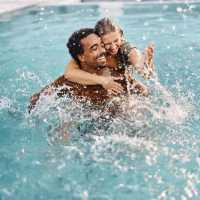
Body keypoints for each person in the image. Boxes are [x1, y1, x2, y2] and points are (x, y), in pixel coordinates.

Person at [29, 28, 131, 113]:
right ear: (81, 57)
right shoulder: (69, 83)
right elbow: (37, 100)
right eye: (95, 48)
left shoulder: (115, 74)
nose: (103, 51)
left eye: (102, 45)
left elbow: (140, 91)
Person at [64, 18, 154, 96]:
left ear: (121, 36)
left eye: (116, 41)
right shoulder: (93, 52)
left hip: (122, 78)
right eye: (107, 44)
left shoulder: (126, 49)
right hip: (103, 79)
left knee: (143, 91)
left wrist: (146, 64)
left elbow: (140, 67)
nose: (113, 47)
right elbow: (69, 73)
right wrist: (103, 81)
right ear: (99, 40)